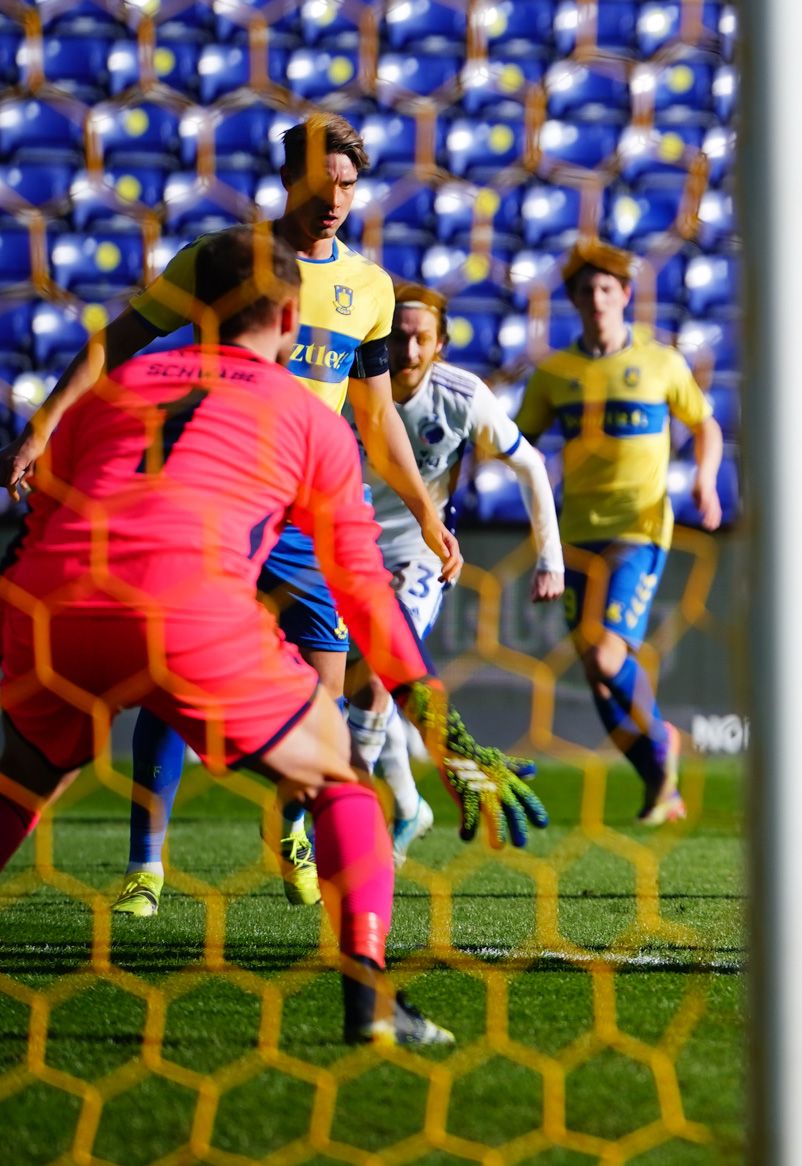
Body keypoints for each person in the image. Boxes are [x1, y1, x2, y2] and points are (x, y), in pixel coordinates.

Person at [0, 228, 544, 1044]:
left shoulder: (114, 389)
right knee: (345, 778)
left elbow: (41, 519)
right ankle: (371, 1002)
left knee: (24, 777)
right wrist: (447, 735)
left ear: (190, 309)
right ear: (292, 320)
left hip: (53, 605)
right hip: (187, 610)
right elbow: (365, 593)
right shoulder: (307, 416)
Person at [0, 114, 465, 916]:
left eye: (349, 187)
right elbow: (118, 342)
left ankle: (289, 824)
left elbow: (378, 414)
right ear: (289, 182)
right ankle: (146, 864)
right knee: (163, 678)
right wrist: (41, 426)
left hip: (304, 504)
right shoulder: (228, 263)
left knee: (322, 698)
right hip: (214, 498)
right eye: (321, 185)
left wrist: (426, 512)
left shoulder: (372, 290)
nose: (334, 201)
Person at [344, 284, 564, 868]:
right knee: (361, 683)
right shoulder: (350, 385)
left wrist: (551, 559)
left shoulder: (462, 396)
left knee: (378, 672)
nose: (408, 349)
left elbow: (530, 464)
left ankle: (350, 813)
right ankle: (410, 805)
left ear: (440, 345)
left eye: (421, 338)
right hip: (347, 548)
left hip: (422, 550)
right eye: (398, 336)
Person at [515, 244, 723, 825]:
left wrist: (705, 482)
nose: (598, 300)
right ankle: (662, 786)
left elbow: (704, 424)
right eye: (586, 291)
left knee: (608, 658)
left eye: (608, 290)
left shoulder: (661, 363)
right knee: (594, 673)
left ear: (626, 296)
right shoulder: (554, 374)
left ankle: (663, 744)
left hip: (639, 527)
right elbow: (519, 444)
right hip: (576, 534)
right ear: (574, 300)